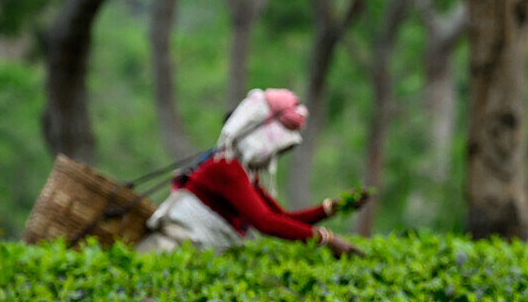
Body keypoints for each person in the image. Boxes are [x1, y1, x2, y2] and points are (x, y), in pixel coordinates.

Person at [137, 88, 364, 256]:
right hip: (168, 252)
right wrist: (326, 239)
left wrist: (331, 208)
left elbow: (280, 217)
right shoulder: (226, 168)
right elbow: (265, 223)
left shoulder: (243, 173)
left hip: (192, 255)